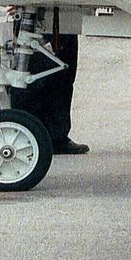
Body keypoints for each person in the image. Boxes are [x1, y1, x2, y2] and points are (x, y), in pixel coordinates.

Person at [11, 10, 87, 155]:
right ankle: (28, 135)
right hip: (38, 15)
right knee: (34, 78)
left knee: (64, 78)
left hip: (64, 14)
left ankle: (57, 138)